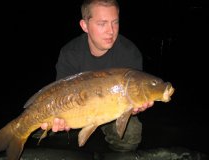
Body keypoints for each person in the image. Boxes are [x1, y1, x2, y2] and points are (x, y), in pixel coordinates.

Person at [41, 0, 154, 152]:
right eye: (102, 24)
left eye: (115, 22)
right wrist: (59, 119)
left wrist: (135, 107)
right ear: (85, 26)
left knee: (130, 133)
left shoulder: (129, 53)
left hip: (113, 113)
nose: (111, 31)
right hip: (77, 114)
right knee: (47, 133)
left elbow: (133, 97)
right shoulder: (70, 53)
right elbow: (59, 95)